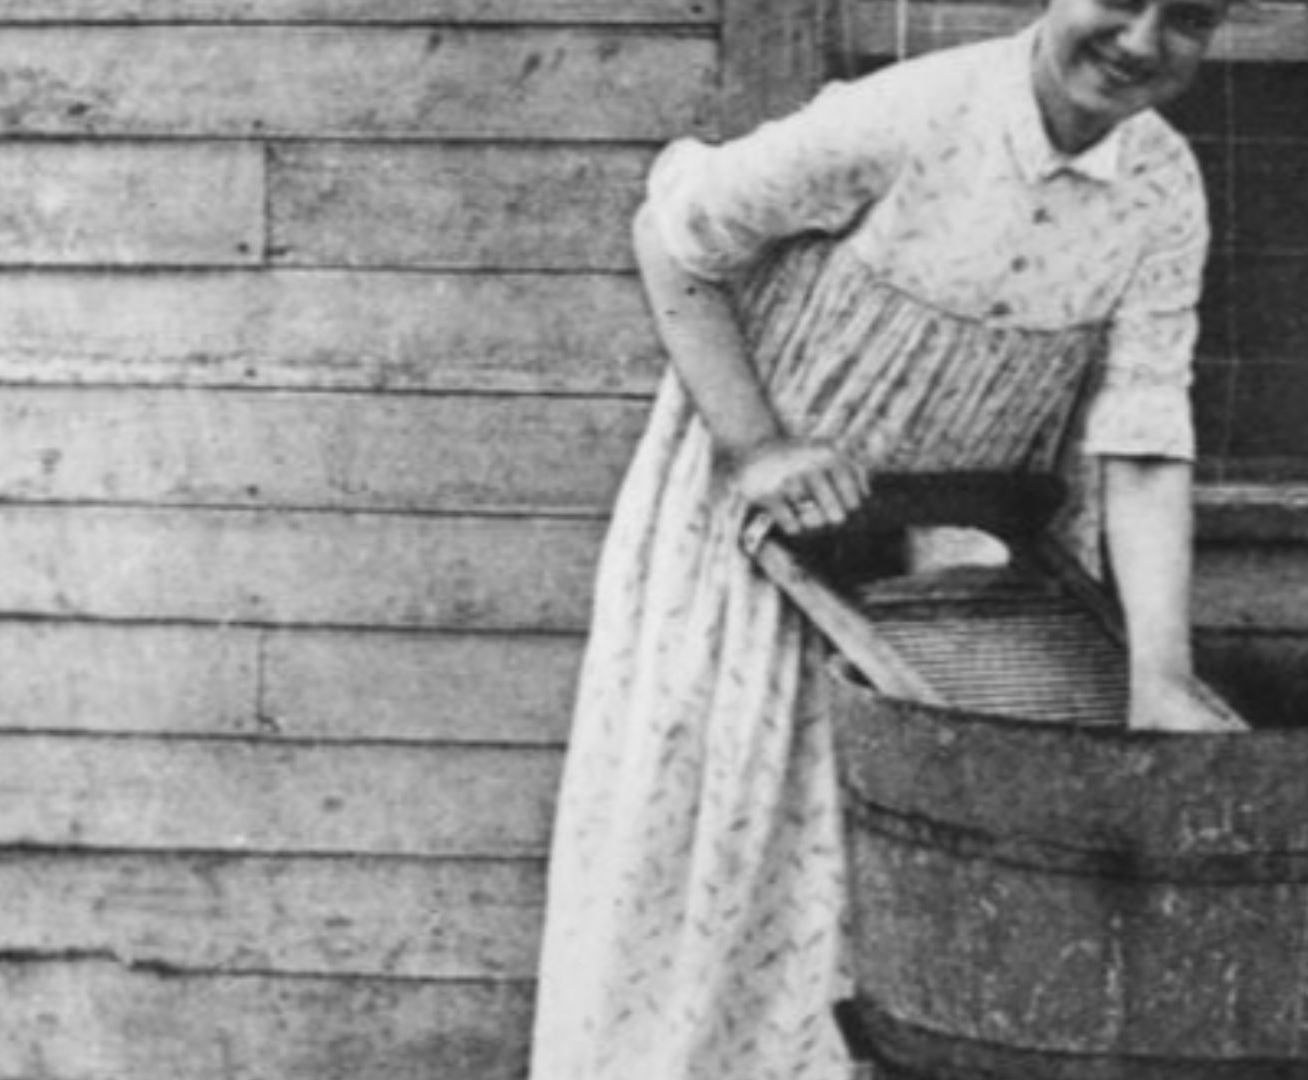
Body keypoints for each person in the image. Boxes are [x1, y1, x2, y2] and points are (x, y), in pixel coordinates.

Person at [530, 1, 1240, 1076]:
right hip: (766, 548)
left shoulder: (1162, 186)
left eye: (1185, 17)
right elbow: (673, 240)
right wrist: (760, 446)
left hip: (961, 572)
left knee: (923, 902)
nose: (1142, 41)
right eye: (1119, 1)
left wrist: (1162, 675)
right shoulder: (910, 114)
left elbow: (1142, 439)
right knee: (740, 865)